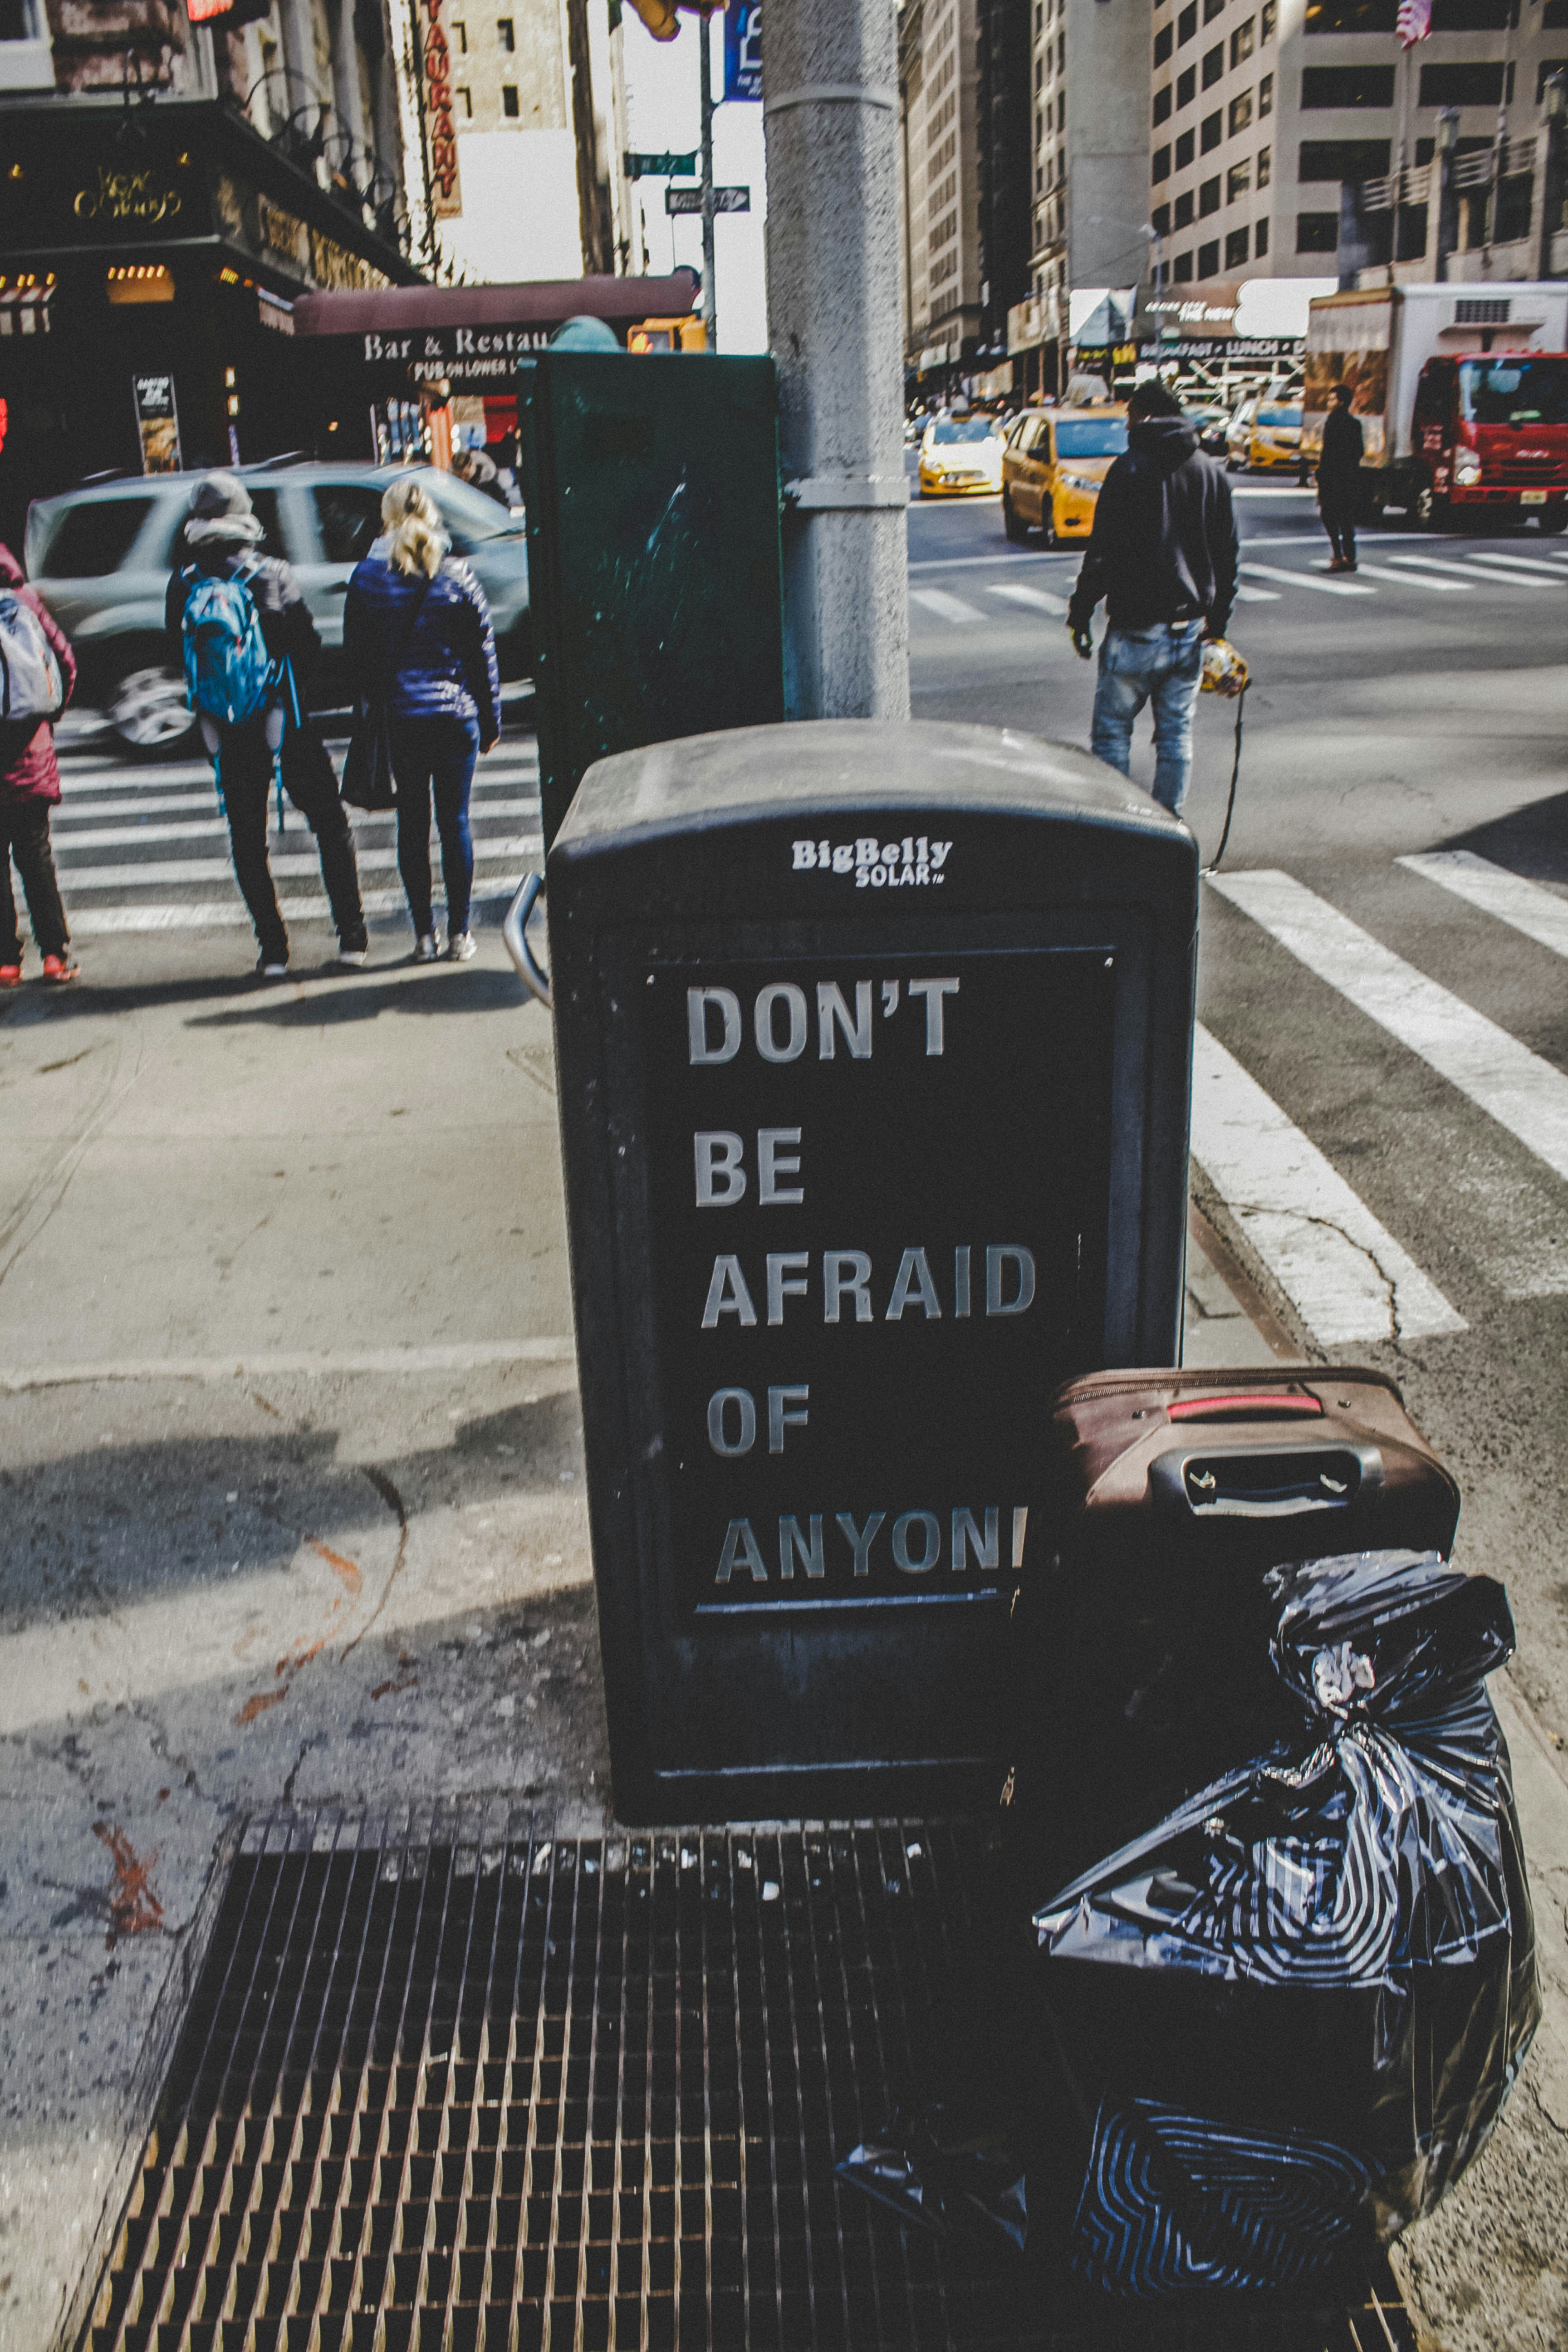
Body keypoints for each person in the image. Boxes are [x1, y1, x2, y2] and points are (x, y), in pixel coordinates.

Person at [166, 475, 368, 976]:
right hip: (287, 723)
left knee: (247, 841)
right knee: (330, 825)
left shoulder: (185, 581)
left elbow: (180, 651)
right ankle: (352, 940)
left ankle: (273, 952)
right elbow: (309, 645)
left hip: (225, 729)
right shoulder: (272, 572)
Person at [1066, 379, 1239, 821]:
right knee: (1176, 736)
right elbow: (1226, 558)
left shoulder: (1130, 469)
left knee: (1111, 736)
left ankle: (1118, 832)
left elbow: (1102, 552)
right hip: (1189, 632)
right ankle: (1170, 831)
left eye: (1128, 416)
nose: (1125, 424)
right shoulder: (1209, 472)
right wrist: (1216, 629)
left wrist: (1081, 613)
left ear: (1142, 415)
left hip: (1135, 629)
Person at [343, 480, 500, 963]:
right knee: (456, 823)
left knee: (412, 824)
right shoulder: (459, 575)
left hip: (403, 722)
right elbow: (482, 656)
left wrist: (377, 703)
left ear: (386, 520)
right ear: (432, 514)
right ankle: (460, 935)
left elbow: (357, 660)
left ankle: (424, 937)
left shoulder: (367, 579)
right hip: (456, 718)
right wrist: (491, 719)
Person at [0, 542, 78, 986]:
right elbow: (65, 662)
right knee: (35, 856)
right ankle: (54, 956)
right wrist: (48, 716)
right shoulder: (26, 602)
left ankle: (6, 963)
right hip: (28, 749)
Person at [1318, 384, 1365, 574]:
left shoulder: (1333, 423)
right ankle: (1349, 557)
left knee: (1329, 517)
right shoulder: (1354, 424)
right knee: (1346, 519)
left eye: (1332, 399)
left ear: (1342, 402)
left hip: (1333, 478)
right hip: (1348, 478)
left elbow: (1328, 453)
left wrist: (1325, 473)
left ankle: (1338, 556)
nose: (1329, 403)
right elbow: (1359, 451)